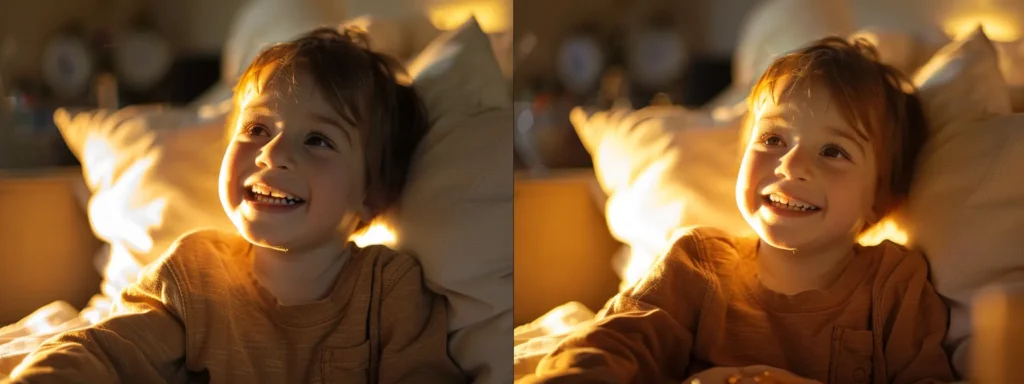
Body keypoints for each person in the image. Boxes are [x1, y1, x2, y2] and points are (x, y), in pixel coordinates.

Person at [5, 27, 464, 384]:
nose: (273, 153)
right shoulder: (194, 273)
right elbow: (102, 350)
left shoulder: (389, 289)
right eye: (257, 129)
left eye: (318, 139)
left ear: (372, 195)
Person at [521, 37, 955, 384]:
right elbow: (610, 345)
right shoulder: (696, 263)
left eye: (832, 150)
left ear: (879, 199)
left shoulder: (894, 286)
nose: (791, 165)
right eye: (772, 140)